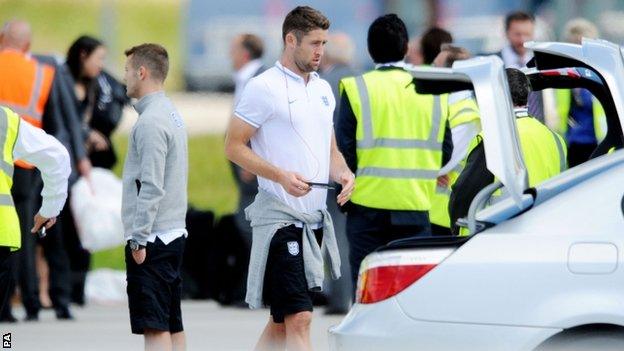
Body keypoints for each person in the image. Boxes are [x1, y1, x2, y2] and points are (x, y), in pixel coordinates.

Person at [225, 6, 354, 351]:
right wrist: (279, 175)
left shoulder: (324, 90)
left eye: (324, 43)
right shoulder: (263, 87)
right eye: (313, 43)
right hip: (280, 218)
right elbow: (233, 146)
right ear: (290, 39)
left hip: (313, 219)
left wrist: (343, 173)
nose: (320, 51)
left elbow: (331, 151)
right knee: (300, 318)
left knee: (281, 322)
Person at [336, 14, 451, 290]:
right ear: (406, 48)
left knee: (368, 292)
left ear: (369, 49)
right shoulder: (434, 91)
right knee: (411, 292)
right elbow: (445, 153)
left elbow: (344, 152)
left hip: (367, 208)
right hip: (415, 206)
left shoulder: (357, 88)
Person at [0, 20, 79, 321]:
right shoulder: (42, 72)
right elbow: (57, 129)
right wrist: (52, 206)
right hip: (22, 157)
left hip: (12, 155)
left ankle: (7, 311)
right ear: (28, 46)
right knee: (29, 233)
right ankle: (31, 301)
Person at [122, 43, 188, 351]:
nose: (124, 77)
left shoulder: (149, 122)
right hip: (171, 233)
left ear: (142, 72)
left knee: (155, 327)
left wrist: (139, 238)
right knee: (172, 323)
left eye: (126, 70)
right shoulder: (170, 113)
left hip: (153, 239)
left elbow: (150, 185)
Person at [449, 68, 567, 235]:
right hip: (543, 231)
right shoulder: (555, 138)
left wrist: (455, 226)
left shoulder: (495, 138)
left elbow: (464, 194)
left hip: (502, 233)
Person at [64, 35, 129, 305]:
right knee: (65, 230)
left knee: (85, 226)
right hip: (67, 167)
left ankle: (75, 290)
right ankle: (58, 290)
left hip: (90, 166)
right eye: (98, 58)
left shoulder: (96, 86)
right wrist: (87, 133)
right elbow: (65, 121)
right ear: (82, 56)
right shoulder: (64, 83)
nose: (102, 65)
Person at [0, 105, 70, 322]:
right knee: (3, 332)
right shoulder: (5, 119)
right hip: (2, 235)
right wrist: (50, 208)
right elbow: (57, 156)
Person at [319, 32, 356, 314]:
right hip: (365, 168)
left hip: (332, 168)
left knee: (337, 234)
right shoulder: (363, 79)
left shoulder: (324, 84)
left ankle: (339, 296)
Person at [227, 32, 265, 306]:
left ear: (245, 54)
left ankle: (260, 288)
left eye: (233, 49)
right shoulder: (245, 78)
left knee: (249, 224)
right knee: (248, 224)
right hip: (245, 163)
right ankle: (253, 288)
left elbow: (256, 121)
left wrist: (247, 159)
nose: (230, 55)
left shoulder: (256, 79)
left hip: (250, 166)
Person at [429, 45, 481, 235]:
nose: (431, 71)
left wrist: (425, 169)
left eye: (436, 66)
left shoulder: (467, 112)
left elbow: (444, 162)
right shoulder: (445, 104)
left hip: (445, 213)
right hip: (433, 208)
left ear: (452, 74)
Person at [555, 18, 605, 167]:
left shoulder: (602, 72)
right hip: (572, 142)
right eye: (573, 46)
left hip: (599, 142)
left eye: (581, 45)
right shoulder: (563, 72)